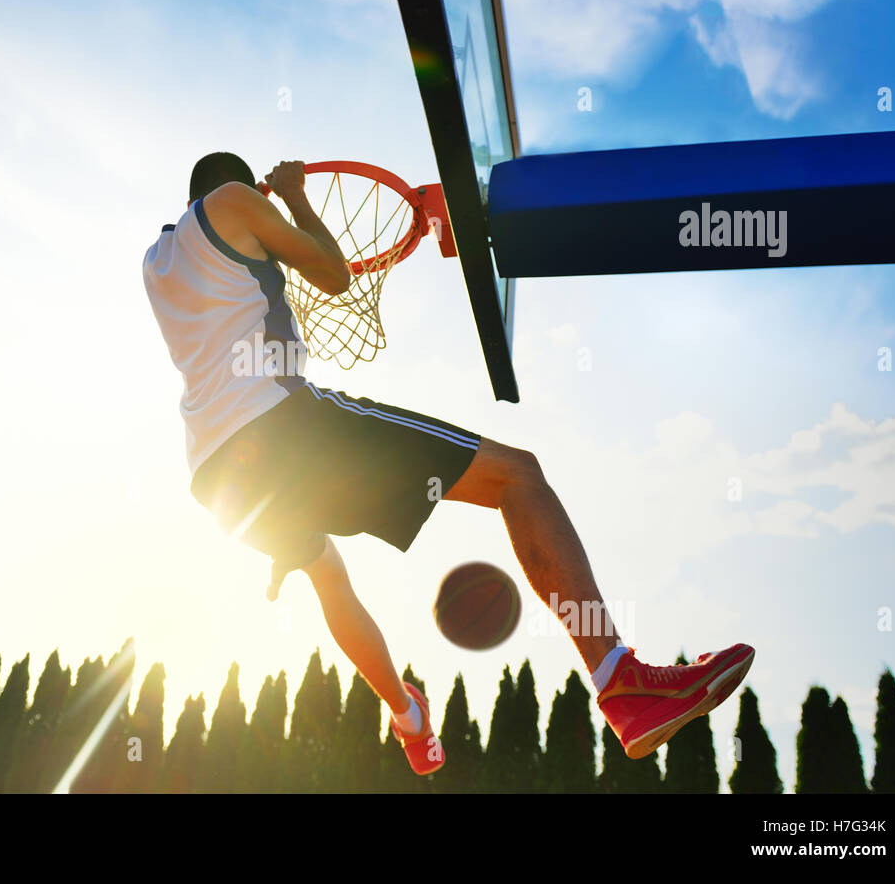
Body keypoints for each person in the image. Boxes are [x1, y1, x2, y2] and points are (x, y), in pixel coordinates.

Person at [142, 152, 754, 776]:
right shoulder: (236, 203)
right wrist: (296, 198)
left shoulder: (157, 262)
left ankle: (407, 717)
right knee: (518, 476)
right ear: (237, 187)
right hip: (281, 428)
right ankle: (620, 680)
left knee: (327, 576)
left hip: (220, 477)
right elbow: (333, 275)